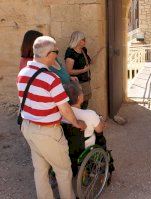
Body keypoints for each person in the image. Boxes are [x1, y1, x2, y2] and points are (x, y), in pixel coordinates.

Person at [17, 36, 86, 199]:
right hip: (47, 132)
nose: (57, 55)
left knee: (40, 170)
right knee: (63, 170)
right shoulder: (51, 79)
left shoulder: (23, 73)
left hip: (28, 127)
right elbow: (65, 109)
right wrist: (76, 123)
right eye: (56, 51)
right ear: (48, 53)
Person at [65, 31, 92, 109]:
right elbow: (69, 71)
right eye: (83, 39)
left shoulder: (83, 49)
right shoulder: (71, 53)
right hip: (76, 83)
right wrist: (83, 70)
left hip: (86, 81)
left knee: (85, 102)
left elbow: (87, 60)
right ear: (77, 40)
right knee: (77, 104)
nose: (85, 41)